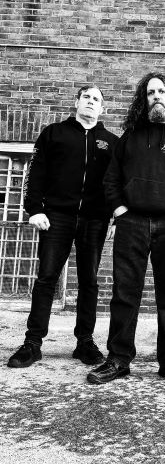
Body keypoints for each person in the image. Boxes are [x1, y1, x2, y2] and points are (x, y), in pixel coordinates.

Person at [87, 73, 165, 387]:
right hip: (132, 223)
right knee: (124, 293)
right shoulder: (130, 137)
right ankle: (118, 358)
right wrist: (120, 211)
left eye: (161, 91)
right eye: (150, 92)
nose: (156, 96)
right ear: (145, 99)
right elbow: (111, 179)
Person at [8, 85, 118, 368]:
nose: (91, 102)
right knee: (46, 278)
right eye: (86, 97)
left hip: (95, 220)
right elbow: (35, 172)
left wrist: (116, 217)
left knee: (89, 282)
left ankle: (85, 343)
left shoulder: (111, 142)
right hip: (56, 217)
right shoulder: (54, 133)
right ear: (76, 101)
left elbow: (118, 182)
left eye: (96, 99)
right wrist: (34, 209)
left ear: (102, 108)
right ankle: (32, 343)